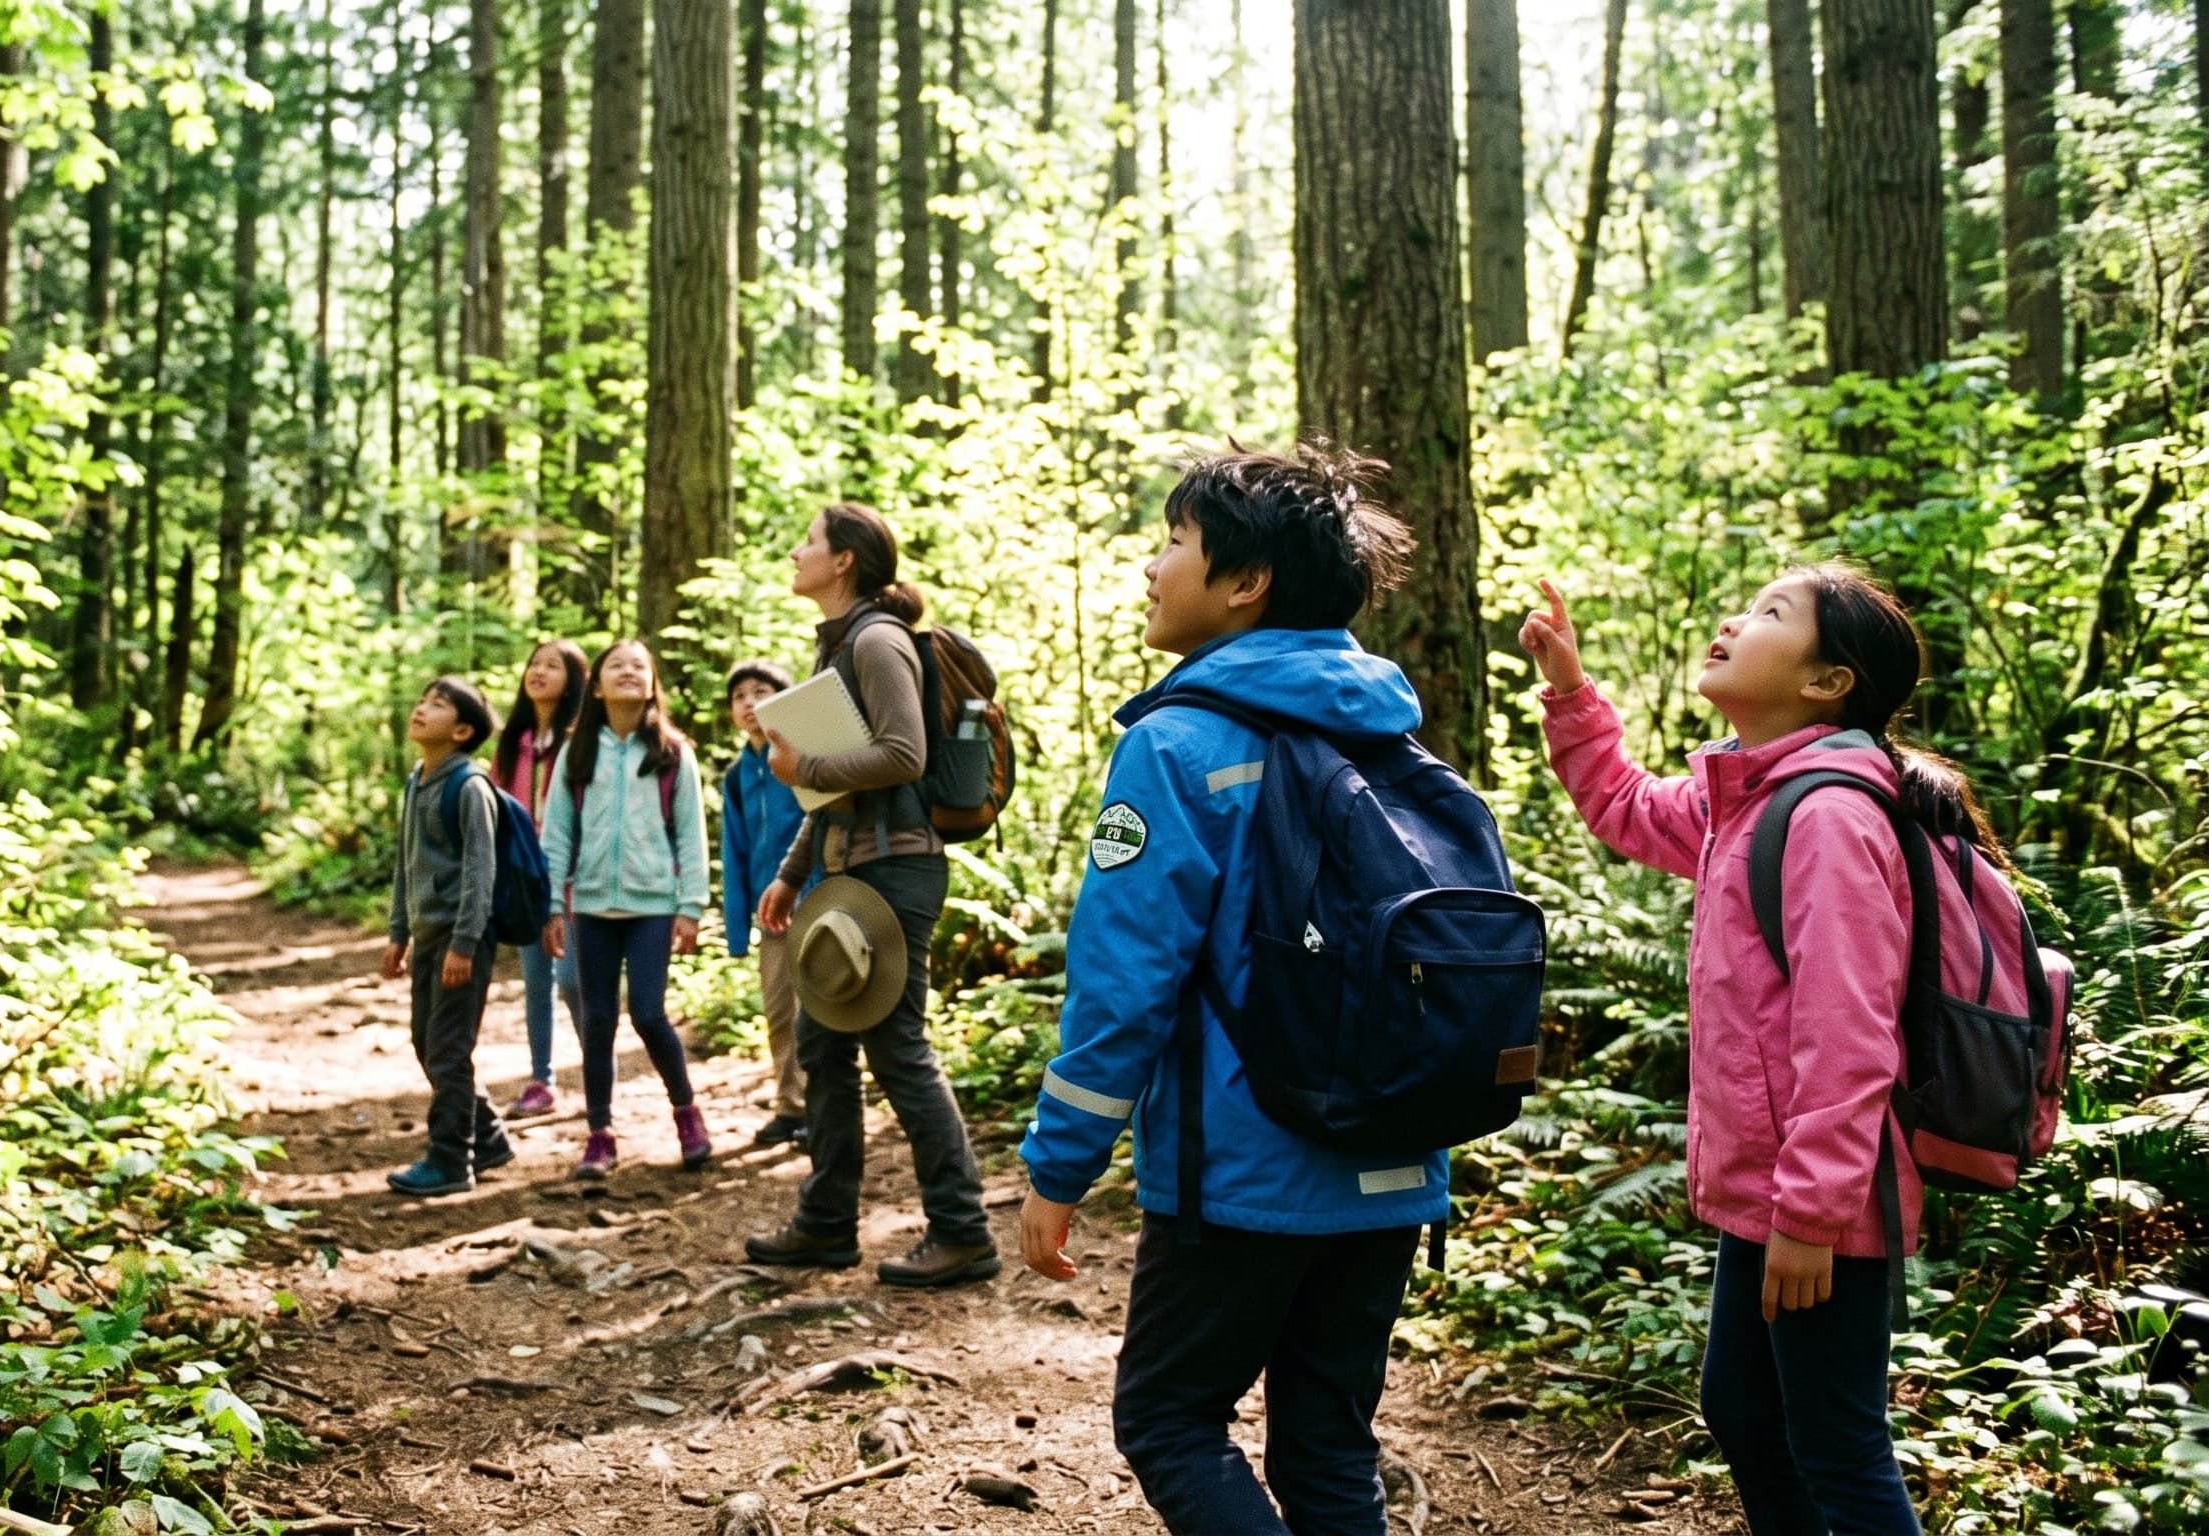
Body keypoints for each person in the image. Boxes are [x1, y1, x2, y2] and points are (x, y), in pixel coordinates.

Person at [1518, 562, 2015, 1536]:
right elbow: (1622, 806)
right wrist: (1572, 693)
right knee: (1746, 1413)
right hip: (1771, 1191)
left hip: (1817, 1199)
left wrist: (1813, 1212)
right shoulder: (1744, 799)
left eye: (1769, 614)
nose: (1732, 622)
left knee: (1835, 1442)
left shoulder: (1826, 818)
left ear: (1826, 682)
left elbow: (1848, 1034)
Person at [1012, 446, 1438, 1535]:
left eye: (1175, 543)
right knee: (1329, 1446)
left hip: (1245, 1169)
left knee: (1168, 1420)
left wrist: (1058, 1164)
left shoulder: (1178, 743)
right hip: (1396, 1151)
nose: (1154, 567)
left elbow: (1123, 984)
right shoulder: (1390, 735)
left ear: (1244, 582)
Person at [745, 503, 996, 1289]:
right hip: (851, 871)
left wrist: (804, 772)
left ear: (845, 560)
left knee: (899, 1052)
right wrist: (792, 872)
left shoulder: (878, 642)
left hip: (896, 874)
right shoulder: (842, 645)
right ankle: (826, 1224)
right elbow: (836, 788)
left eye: (808, 542)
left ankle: (963, 1231)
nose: (795, 550)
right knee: (824, 1050)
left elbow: (902, 754)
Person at [539, 640, 713, 1180]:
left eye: (640, 666)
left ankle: (686, 1112)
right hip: (590, 905)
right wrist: (551, 904)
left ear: (652, 683)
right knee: (597, 1021)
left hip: (652, 905)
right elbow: (558, 830)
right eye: (617, 665)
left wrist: (690, 906)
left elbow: (691, 833)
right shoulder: (577, 751)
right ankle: (599, 1134)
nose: (630, 672)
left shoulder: (673, 752)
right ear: (596, 686)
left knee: (648, 1012)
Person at [379, 677, 517, 1197]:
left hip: (463, 940)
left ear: (461, 731)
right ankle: (488, 1135)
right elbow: (406, 864)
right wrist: (398, 932)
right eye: (422, 700)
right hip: (428, 934)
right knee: (427, 1040)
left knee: (448, 1049)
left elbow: (482, 873)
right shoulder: (418, 779)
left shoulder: (470, 787)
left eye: (438, 706)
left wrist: (464, 942)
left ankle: (450, 1160)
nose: (421, 709)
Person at [492, 639, 589, 1119]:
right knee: (536, 980)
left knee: (572, 979)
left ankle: (597, 1071)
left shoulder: (580, 741)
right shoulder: (515, 742)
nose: (540, 672)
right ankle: (541, 1080)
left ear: (573, 681)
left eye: (554, 666)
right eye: (534, 663)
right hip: (524, 878)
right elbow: (494, 809)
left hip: (573, 878)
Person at [719, 659, 810, 1149]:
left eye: (761, 691)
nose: (749, 702)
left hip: (814, 900)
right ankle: (789, 1106)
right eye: (739, 696)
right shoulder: (736, 777)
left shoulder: (800, 758)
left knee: (817, 1008)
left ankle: (823, 1108)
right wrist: (737, 928)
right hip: (770, 913)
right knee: (778, 1010)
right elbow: (732, 855)